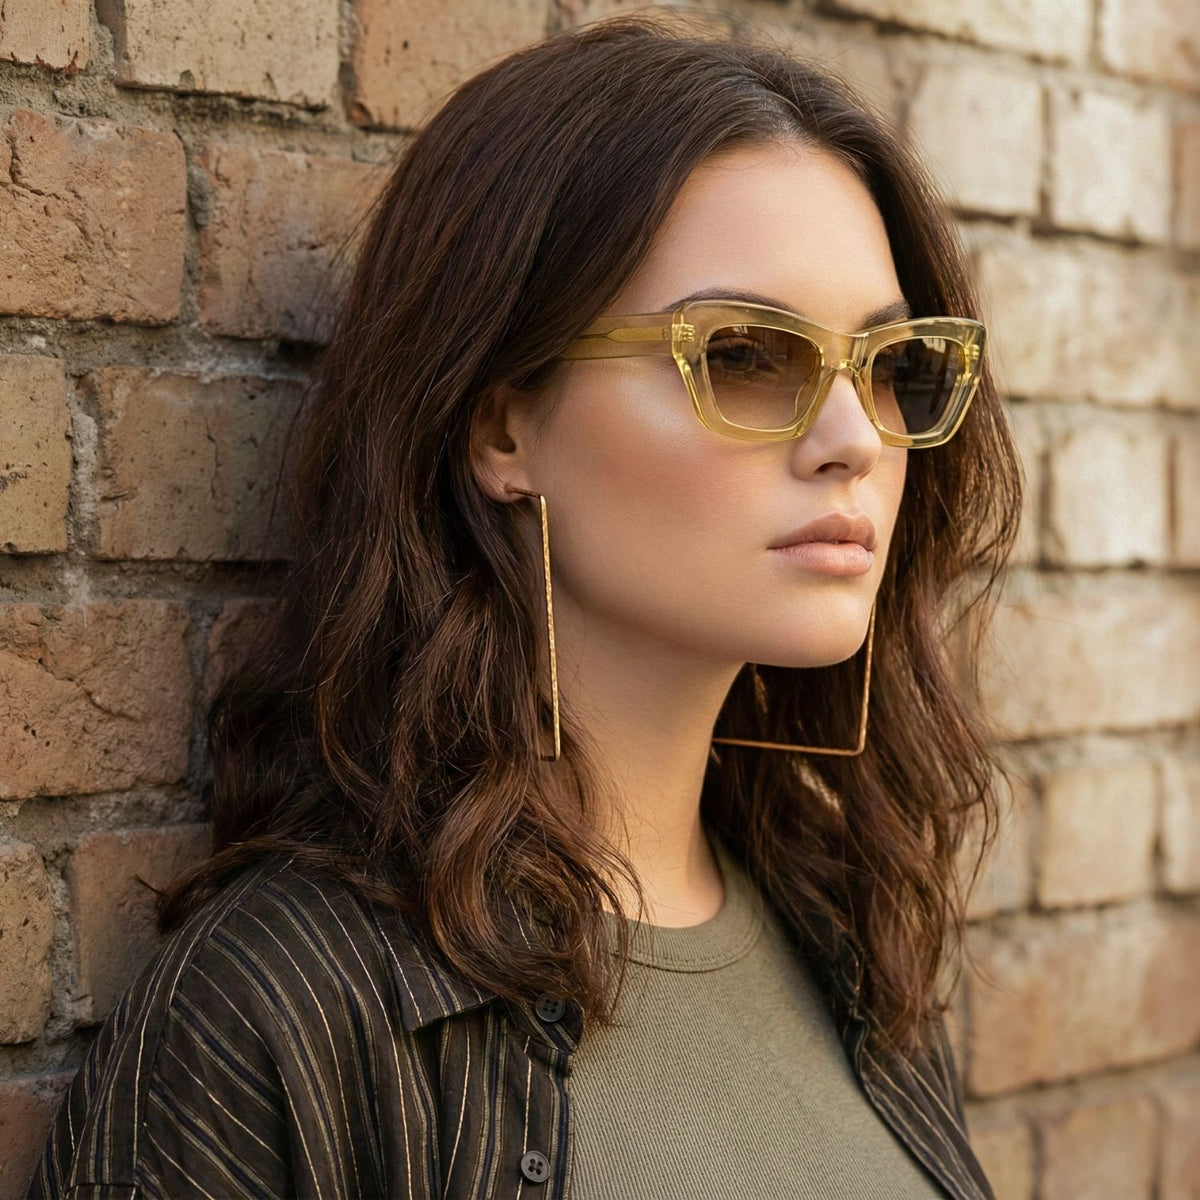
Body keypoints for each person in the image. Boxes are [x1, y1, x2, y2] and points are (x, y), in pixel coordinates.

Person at [27, 10, 1021, 1200]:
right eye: (748, 356)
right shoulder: (291, 1012)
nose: (855, 440)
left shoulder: (851, 946)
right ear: (503, 424)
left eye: (886, 363)